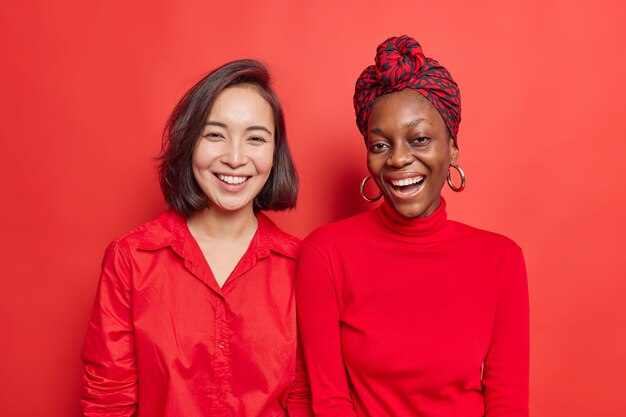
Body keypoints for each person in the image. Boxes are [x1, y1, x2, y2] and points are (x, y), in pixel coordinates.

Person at [296, 36, 529, 416]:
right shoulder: (324, 254)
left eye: (419, 139)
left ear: (452, 148)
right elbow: (329, 400)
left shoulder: (501, 260)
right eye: (380, 145)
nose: (399, 159)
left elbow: (508, 404)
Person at [81, 59, 312, 416]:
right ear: (189, 143)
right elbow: (108, 398)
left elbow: (303, 397)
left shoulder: (302, 265)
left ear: (274, 153)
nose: (235, 158)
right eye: (215, 134)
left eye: (255, 138)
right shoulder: (131, 258)